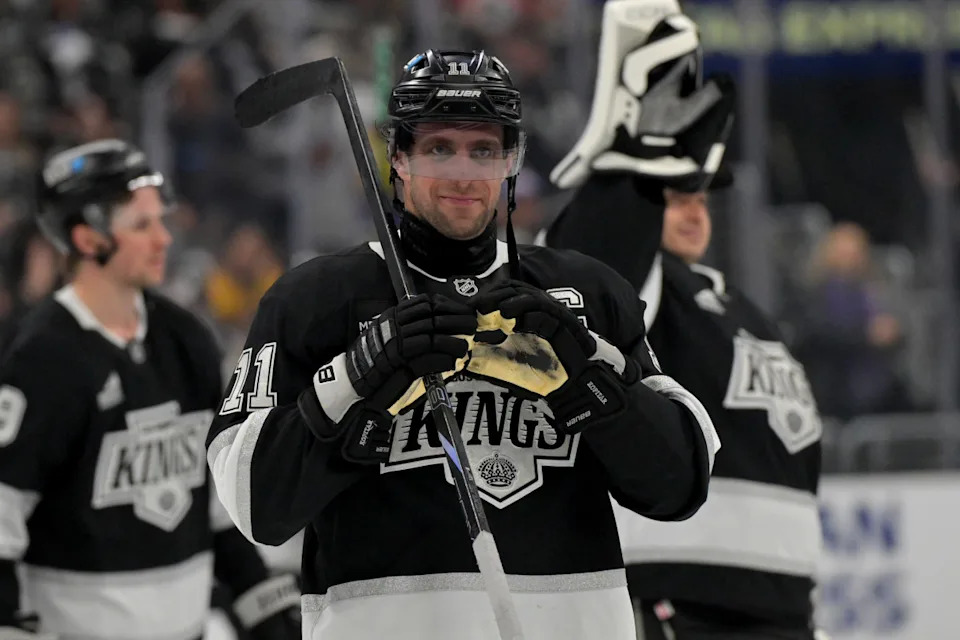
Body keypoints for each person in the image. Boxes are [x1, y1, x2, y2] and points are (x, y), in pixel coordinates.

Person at [206, 48, 720, 640]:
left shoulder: (586, 292)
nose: (462, 173)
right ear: (398, 157)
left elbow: (681, 484)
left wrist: (592, 380)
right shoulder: (316, 300)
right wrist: (357, 377)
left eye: (483, 150)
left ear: (513, 160)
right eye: (438, 148)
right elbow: (254, 505)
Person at [542, 4, 823, 639]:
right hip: (676, 600)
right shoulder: (635, 290)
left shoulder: (738, 307)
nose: (694, 211)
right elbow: (589, 263)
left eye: (700, 198)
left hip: (780, 612)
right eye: (675, 197)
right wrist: (633, 159)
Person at [0, 139, 300, 640]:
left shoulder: (184, 338)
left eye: (159, 220)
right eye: (142, 226)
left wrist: (260, 602)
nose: (163, 238)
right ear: (87, 239)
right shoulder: (41, 361)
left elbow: (215, 501)